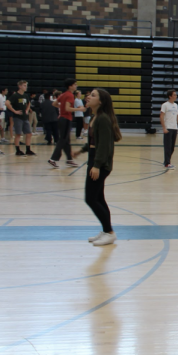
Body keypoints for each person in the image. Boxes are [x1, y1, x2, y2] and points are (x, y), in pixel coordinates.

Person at [72, 88, 122, 247]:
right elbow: (94, 142)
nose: (88, 97)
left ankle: (109, 232)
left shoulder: (103, 119)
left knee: (91, 198)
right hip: (95, 160)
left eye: (93, 95)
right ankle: (106, 230)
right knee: (99, 198)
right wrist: (81, 150)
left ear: (100, 101)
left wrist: (97, 166)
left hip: (100, 164)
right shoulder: (96, 117)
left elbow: (105, 146)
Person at [49, 78, 79, 169]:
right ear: (70, 86)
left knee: (66, 140)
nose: (76, 86)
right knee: (62, 140)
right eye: (75, 84)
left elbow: (54, 103)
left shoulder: (63, 94)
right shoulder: (70, 95)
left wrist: (60, 107)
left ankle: (69, 159)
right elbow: (67, 108)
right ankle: (53, 159)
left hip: (62, 118)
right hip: (66, 119)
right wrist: (79, 109)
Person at [7, 80, 36, 157]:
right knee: (18, 134)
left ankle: (28, 149)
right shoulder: (15, 95)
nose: (25, 87)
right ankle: (18, 150)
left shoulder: (25, 96)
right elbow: (7, 103)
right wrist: (14, 111)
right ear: (19, 86)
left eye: (26, 85)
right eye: (24, 85)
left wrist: (27, 110)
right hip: (18, 117)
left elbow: (28, 103)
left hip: (25, 117)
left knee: (29, 133)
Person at [160, 90, 178, 169]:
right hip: (168, 128)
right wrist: (164, 128)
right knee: (167, 146)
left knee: (172, 147)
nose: (176, 96)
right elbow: (161, 116)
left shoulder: (176, 105)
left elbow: (177, 116)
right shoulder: (165, 105)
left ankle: (167, 161)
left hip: (174, 128)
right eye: (174, 95)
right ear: (170, 96)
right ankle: (167, 163)